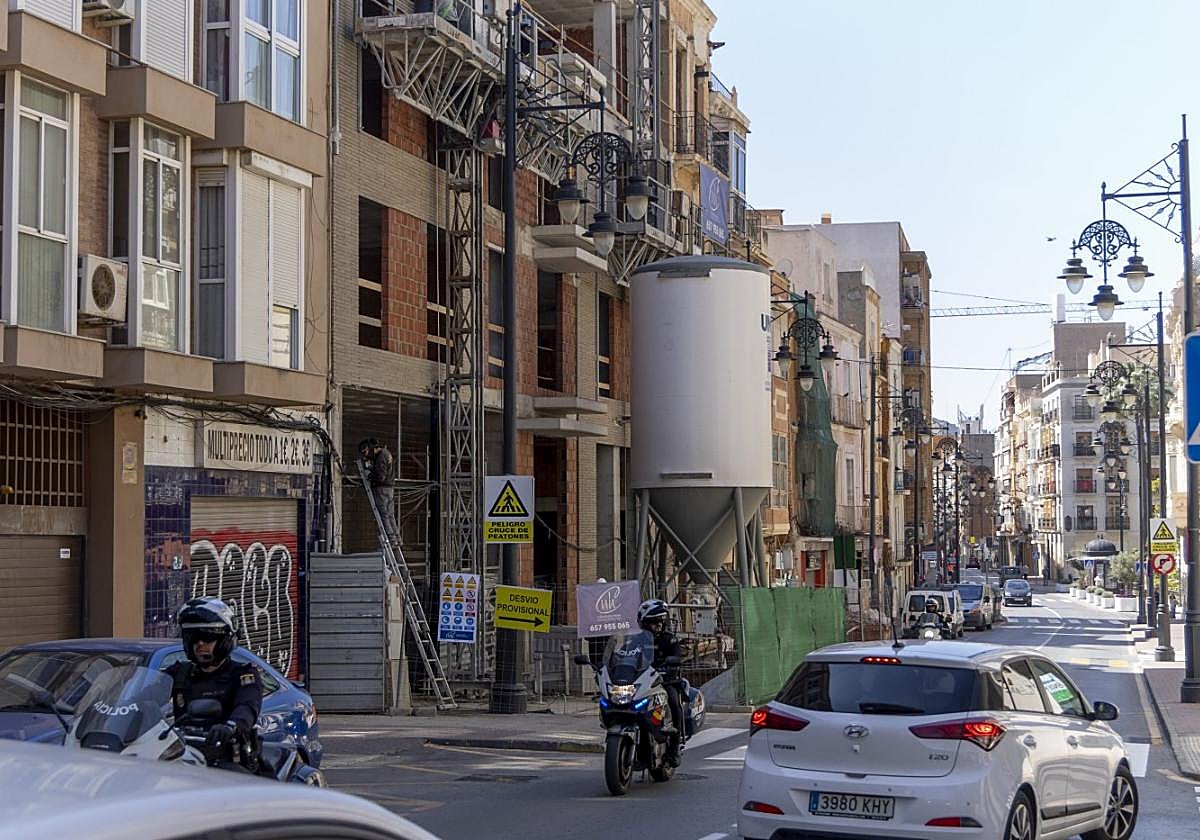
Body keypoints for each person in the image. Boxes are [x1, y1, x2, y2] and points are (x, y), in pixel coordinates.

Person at [167, 597, 262, 768]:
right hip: (181, 756)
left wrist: (231, 726)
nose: (200, 644)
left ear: (224, 639)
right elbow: (145, 694)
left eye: (207, 638)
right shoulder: (179, 673)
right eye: (194, 638)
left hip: (224, 758)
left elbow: (247, 705)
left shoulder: (242, 674)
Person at [637, 598, 684, 767]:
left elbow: (677, 655)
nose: (657, 625)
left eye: (659, 621)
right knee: (638, 711)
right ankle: (641, 753)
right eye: (652, 622)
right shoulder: (636, 640)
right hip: (642, 683)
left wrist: (672, 664)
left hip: (665, 682)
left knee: (673, 704)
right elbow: (625, 656)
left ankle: (674, 750)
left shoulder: (668, 640)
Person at [358, 438, 399, 546]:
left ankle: (391, 539)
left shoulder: (380, 457)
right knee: (390, 515)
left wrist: (369, 475)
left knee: (384, 515)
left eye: (366, 452)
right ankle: (397, 538)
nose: (366, 456)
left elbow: (381, 476)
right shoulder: (387, 453)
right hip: (389, 489)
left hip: (382, 489)